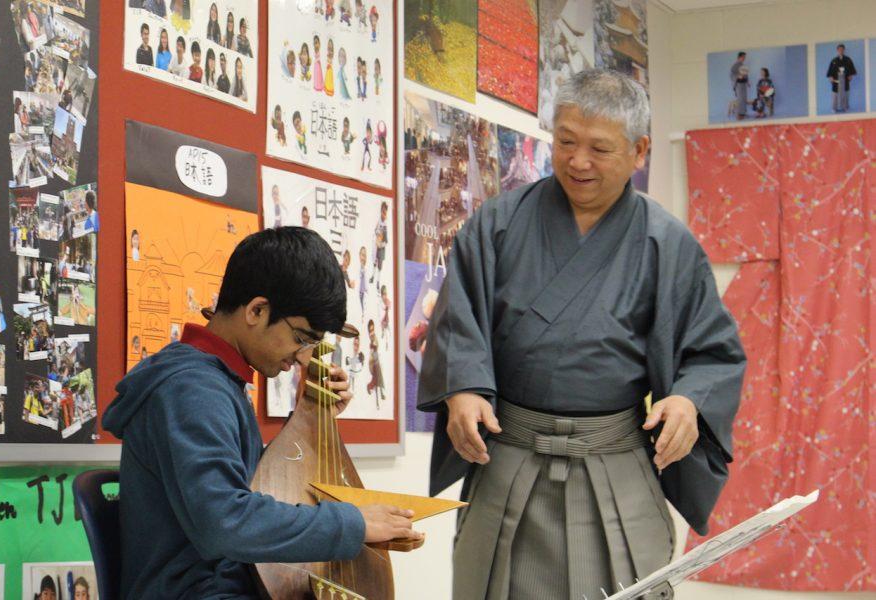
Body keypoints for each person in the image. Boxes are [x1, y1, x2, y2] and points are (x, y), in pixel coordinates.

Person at [417, 69, 745, 600]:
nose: (577, 161)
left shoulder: (668, 244)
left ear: (640, 152)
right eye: (565, 141)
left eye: (599, 148)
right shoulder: (497, 225)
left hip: (614, 460)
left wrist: (687, 400)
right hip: (509, 455)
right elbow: (458, 322)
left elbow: (712, 353)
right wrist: (462, 389)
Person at [104, 228, 420, 598]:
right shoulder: (192, 391)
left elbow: (250, 486)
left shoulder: (215, 382)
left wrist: (309, 415)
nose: (303, 357)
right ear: (256, 310)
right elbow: (225, 521)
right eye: (302, 338)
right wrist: (352, 524)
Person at [827, 43, 856, 113]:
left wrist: (851, 75)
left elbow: (851, 68)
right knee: (835, 94)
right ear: (837, 50)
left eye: (842, 49)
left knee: (846, 94)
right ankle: (834, 108)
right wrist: (830, 77)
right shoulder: (834, 60)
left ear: (844, 50)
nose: (841, 51)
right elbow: (830, 70)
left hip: (845, 80)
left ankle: (845, 107)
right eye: (839, 49)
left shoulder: (848, 59)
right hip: (836, 80)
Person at [730, 51, 748, 120]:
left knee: (744, 98)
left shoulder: (743, 65)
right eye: (743, 57)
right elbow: (732, 74)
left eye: (744, 57)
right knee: (740, 99)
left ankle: (743, 113)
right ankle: (739, 114)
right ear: (739, 57)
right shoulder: (735, 65)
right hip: (739, 84)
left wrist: (747, 81)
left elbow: (745, 74)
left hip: (743, 83)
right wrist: (738, 76)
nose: (744, 58)